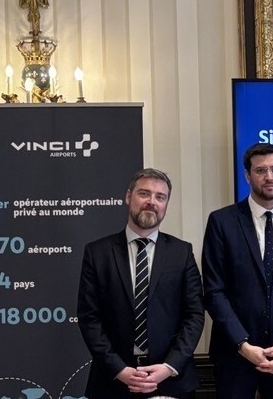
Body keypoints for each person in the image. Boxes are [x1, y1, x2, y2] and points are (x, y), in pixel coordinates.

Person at [77, 168, 204, 398]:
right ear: (128, 197)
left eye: (160, 197)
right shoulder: (98, 253)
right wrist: (119, 369)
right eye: (144, 193)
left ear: (166, 204)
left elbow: (194, 315)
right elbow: (89, 318)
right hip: (113, 382)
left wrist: (169, 367)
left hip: (171, 381)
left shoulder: (182, 253)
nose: (151, 202)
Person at [201, 143, 273, 398]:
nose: (269, 176)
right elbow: (214, 291)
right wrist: (243, 345)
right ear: (247, 175)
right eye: (261, 170)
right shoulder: (221, 221)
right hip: (234, 352)